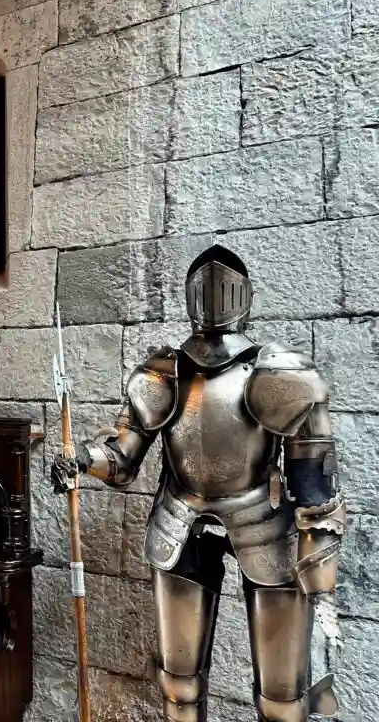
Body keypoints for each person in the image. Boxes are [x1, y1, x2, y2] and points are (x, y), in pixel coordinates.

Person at [52, 246, 343, 722]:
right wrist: (82, 459)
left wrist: (320, 580)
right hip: (180, 521)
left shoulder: (281, 374)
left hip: (266, 524)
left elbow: (316, 489)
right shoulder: (161, 374)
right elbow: (123, 460)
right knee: (179, 686)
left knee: (282, 699)